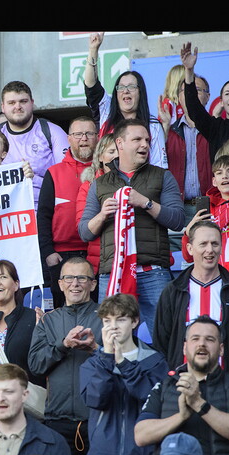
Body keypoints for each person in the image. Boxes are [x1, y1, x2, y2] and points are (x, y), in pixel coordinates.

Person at [78, 118, 186, 335]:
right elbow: (84, 232)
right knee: (111, 342)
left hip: (153, 272)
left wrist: (145, 202)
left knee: (166, 338)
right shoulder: (99, 184)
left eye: (147, 139)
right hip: (113, 274)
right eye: (137, 139)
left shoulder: (163, 176)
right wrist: (102, 215)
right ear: (120, 143)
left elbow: (177, 219)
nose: (144, 144)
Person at [79, 293, 169, 455]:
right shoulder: (93, 365)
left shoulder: (156, 361)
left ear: (135, 321)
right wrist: (107, 359)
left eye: (120, 319)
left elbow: (149, 397)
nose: (113, 327)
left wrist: (124, 364)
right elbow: (96, 399)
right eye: (107, 321)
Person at [135, 316, 229, 455]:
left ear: (221, 349)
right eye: (195, 339)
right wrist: (181, 416)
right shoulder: (165, 386)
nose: (202, 344)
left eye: (209, 339)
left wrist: (199, 405)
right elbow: (141, 435)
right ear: (184, 347)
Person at [28, 256, 102, 455]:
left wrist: (95, 350)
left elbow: (123, 364)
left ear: (93, 284)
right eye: (69, 278)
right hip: (58, 422)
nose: (75, 283)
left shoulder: (107, 318)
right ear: (60, 284)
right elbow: (36, 365)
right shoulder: (48, 321)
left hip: (99, 421)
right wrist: (63, 345)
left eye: (82, 278)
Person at [0, 80, 68, 209]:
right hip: (0, 214)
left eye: (23, 101)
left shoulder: (52, 131)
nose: (18, 106)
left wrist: (33, 179)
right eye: (11, 103)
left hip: (42, 212)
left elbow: (67, 178)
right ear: (3, 107)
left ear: (32, 103)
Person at [152, 221, 229, 371]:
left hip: (227, 386)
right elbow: (162, 342)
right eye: (203, 244)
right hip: (184, 384)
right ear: (190, 249)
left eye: (215, 244)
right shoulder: (172, 291)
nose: (210, 250)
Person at [83, 32, 168, 168]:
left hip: (139, 187)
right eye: (121, 87)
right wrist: (93, 50)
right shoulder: (106, 110)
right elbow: (90, 85)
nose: (126, 91)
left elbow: (160, 168)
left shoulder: (153, 125)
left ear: (140, 93)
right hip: (107, 185)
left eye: (132, 87)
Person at [37, 117, 97, 309]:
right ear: (69, 139)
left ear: (97, 138)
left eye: (89, 133)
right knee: (61, 314)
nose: (84, 138)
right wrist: (48, 252)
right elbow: (43, 216)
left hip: (96, 253)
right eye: (78, 134)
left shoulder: (106, 172)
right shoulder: (54, 172)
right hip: (60, 256)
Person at [160, 72, 214, 249]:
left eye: (196, 90)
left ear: (208, 96)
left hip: (209, 207)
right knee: (178, 261)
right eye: (184, 90)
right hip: (177, 208)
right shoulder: (169, 131)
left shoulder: (216, 129)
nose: (190, 94)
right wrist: (165, 129)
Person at [179, 155, 229, 276]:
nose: (225, 176)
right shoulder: (207, 209)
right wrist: (189, 232)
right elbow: (188, 257)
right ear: (214, 181)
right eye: (219, 173)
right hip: (214, 278)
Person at [180, 42, 229, 160]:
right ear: (221, 102)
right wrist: (189, 71)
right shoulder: (215, 127)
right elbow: (194, 109)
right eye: (227, 94)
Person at [75, 134, 118, 280]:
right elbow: (84, 230)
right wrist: (102, 214)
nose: (116, 156)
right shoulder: (89, 186)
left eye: (120, 151)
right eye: (111, 152)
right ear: (100, 157)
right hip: (102, 263)